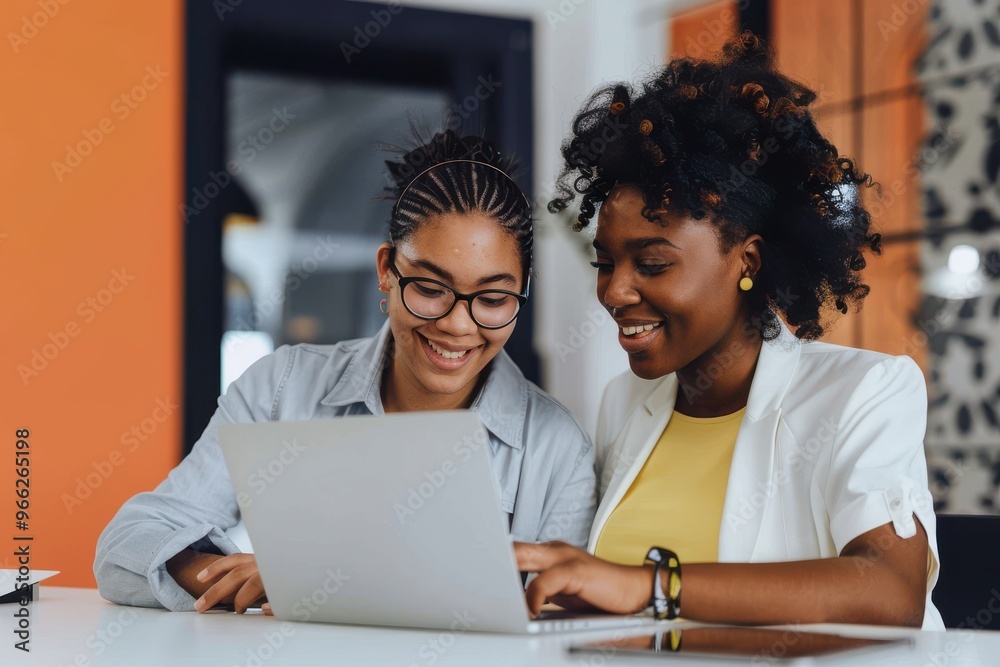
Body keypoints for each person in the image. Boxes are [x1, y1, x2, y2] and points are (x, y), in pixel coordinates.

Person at [516, 32, 943, 629]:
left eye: (653, 264)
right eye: (606, 263)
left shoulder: (862, 392)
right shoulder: (626, 403)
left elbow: (890, 592)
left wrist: (649, 586)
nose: (614, 292)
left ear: (747, 261)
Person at [95, 130, 596, 614]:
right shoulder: (281, 388)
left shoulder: (556, 448)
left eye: (492, 299)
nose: (456, 324)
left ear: (521, 293)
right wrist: (248, 578)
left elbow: (559, 621)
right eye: (429, 288)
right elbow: (126, 547)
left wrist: (313, 580)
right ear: (386, 269)